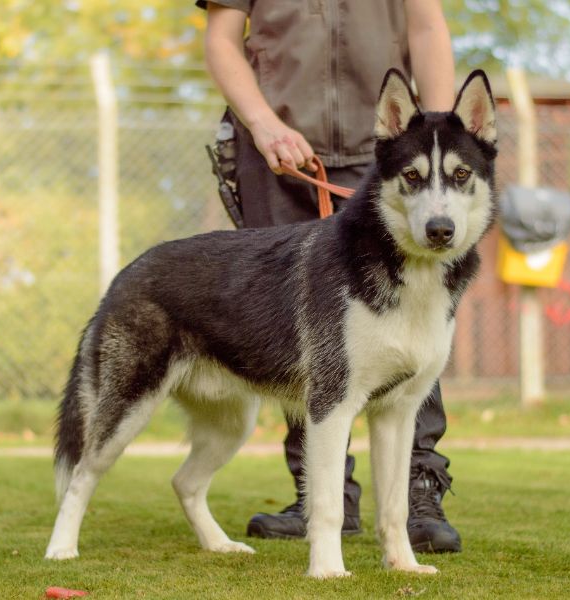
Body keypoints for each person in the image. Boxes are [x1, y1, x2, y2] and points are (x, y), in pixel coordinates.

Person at [197, 0, 461, 553]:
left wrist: (436, 138)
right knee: (296, 333)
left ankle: (418, 489)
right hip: (279, 151)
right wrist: (263, 124)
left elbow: (427, 24)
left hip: (386, 154)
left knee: (416, 316)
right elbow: (222, 39)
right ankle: (321, 496)